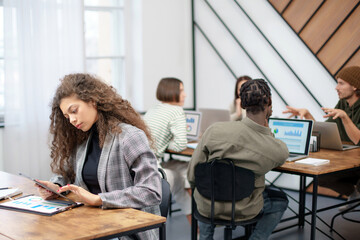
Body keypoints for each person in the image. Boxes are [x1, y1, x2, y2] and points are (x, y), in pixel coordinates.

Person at [36, 73, 161, 240]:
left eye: (74, 111)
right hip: (93, 224)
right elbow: (68, 174)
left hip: (127, 231)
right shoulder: (82, 139)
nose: (72, 120)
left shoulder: (129, 136)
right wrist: (55, 186)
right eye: (67, 117)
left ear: (92, 100)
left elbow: (151, 191)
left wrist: (100, 200)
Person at [188, 79, 289, 240]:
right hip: (243, 209)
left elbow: (192, 176)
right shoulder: (275, 148)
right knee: (281, 201)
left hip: (208, 206)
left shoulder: (214, 130)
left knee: (203, 191)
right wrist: (267, 131)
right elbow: (280, 153)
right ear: (269, 103)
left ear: (242, 104)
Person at [283, 66, 360, 209]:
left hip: (358, 162)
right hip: (347, 159)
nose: (336, 88)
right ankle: (354, 195)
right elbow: (324, 131)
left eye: (341, 83)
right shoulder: (343, 104)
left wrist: (344, 117)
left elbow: (358, 140)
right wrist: (307, 115)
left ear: (355, 86)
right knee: (322, 177)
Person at [143, 77, 192, 223]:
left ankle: (198, 226)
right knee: (182, 176)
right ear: (172, 92)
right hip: (153, 170)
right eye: (181, 90)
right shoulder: (176, 111)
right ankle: (198, 224)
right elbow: (181, 145)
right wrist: (166, 143)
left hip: (143, 166)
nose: (185, 95)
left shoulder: (153, 109)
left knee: (185, 169)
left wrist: (162, 143)